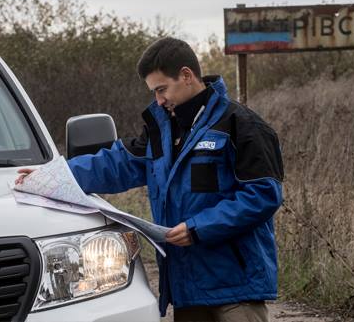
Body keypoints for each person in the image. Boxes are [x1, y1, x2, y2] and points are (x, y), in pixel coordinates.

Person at [16, 37, 284, 322]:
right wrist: (53, 177)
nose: (158, 100)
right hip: (187, 290)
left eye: (161, 89)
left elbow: (262, 195)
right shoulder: (161, 131)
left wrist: (198, 228)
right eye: (154, 92)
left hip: (236, 290)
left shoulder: (243, 126)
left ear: (186, 75)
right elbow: (114, 164)